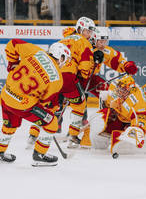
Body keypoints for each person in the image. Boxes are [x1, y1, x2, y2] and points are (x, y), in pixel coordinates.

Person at [0, 39, 71, 167]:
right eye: (65, 59)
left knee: (10, 125)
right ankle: (39, 155)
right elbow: (45, 101)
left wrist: (12, 64)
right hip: (22, 105)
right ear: (60, 57)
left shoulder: (36, 51)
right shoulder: (57, 79)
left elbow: (13, 44)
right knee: (51, 123)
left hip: (6, 94)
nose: (65, 63)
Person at [27, 16, 96, 149]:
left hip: (52, 76)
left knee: (48, 106)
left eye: (91, 31)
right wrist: (83, 78)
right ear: (80, 29)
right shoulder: (85, 43)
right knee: (79, 105)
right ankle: (73, 136)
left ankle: (33, 135)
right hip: (68, 77)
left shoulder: (64, 39)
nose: (90, 34)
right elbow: (85, 66)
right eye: (88, 31)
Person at [84, 75, 146, 155]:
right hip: (125, 117)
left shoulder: (138, 102)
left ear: (130, 89)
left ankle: (135, 131)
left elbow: (142, 119)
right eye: (119, 88)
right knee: (110, 123)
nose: (119, 91)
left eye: (123, 89)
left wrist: (137, 131)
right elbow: (106, 100)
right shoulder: (115, 92)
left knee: (132, 128)